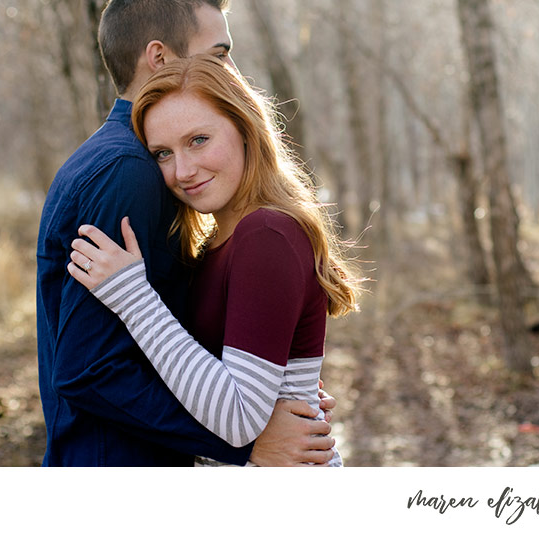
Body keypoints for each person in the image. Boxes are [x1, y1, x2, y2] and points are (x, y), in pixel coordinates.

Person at [36, 0, 337, 466]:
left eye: (199, 140)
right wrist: (255, 435)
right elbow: (89, 367)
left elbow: (234, 390)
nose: (182, 170)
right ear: (160, 58)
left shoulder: (263, 231)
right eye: (217, 56)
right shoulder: (127, 169)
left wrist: (279, 382)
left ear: (242, 128)